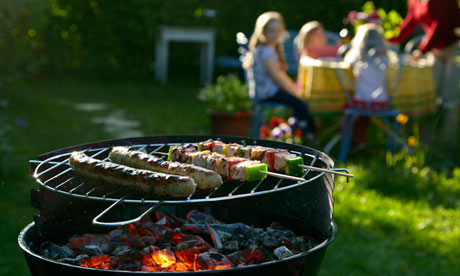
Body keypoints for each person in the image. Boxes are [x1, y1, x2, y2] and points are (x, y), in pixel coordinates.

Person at [388, 0, 460, 145]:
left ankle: (449, 141)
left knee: (451, 97)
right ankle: (429, 138)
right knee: (431, 94)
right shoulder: (415, 1)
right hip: (435, 51)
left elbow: (441, 24)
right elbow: (409, 23)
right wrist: (388, 40)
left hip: (455, 48)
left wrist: (421, 50)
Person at [243, 11, 316, 141]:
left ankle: (295, 133)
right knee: (301, 104)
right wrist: (295, 93)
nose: (275, 34)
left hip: (264, 92)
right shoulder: (266, 53)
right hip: (267, 93)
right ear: (262, 32)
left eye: (278, 31)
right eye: (271, 31)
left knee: (298, 103)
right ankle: (306, 136)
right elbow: (278, 78)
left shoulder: (264, 49)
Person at [343, 23, 391, 147]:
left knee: (347, 105)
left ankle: (347, 137)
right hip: (381, 103)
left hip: (360, 102)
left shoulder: (356, 57)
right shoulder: (386, 57)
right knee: (365, 111)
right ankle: (360, 139)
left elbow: (344, 64)